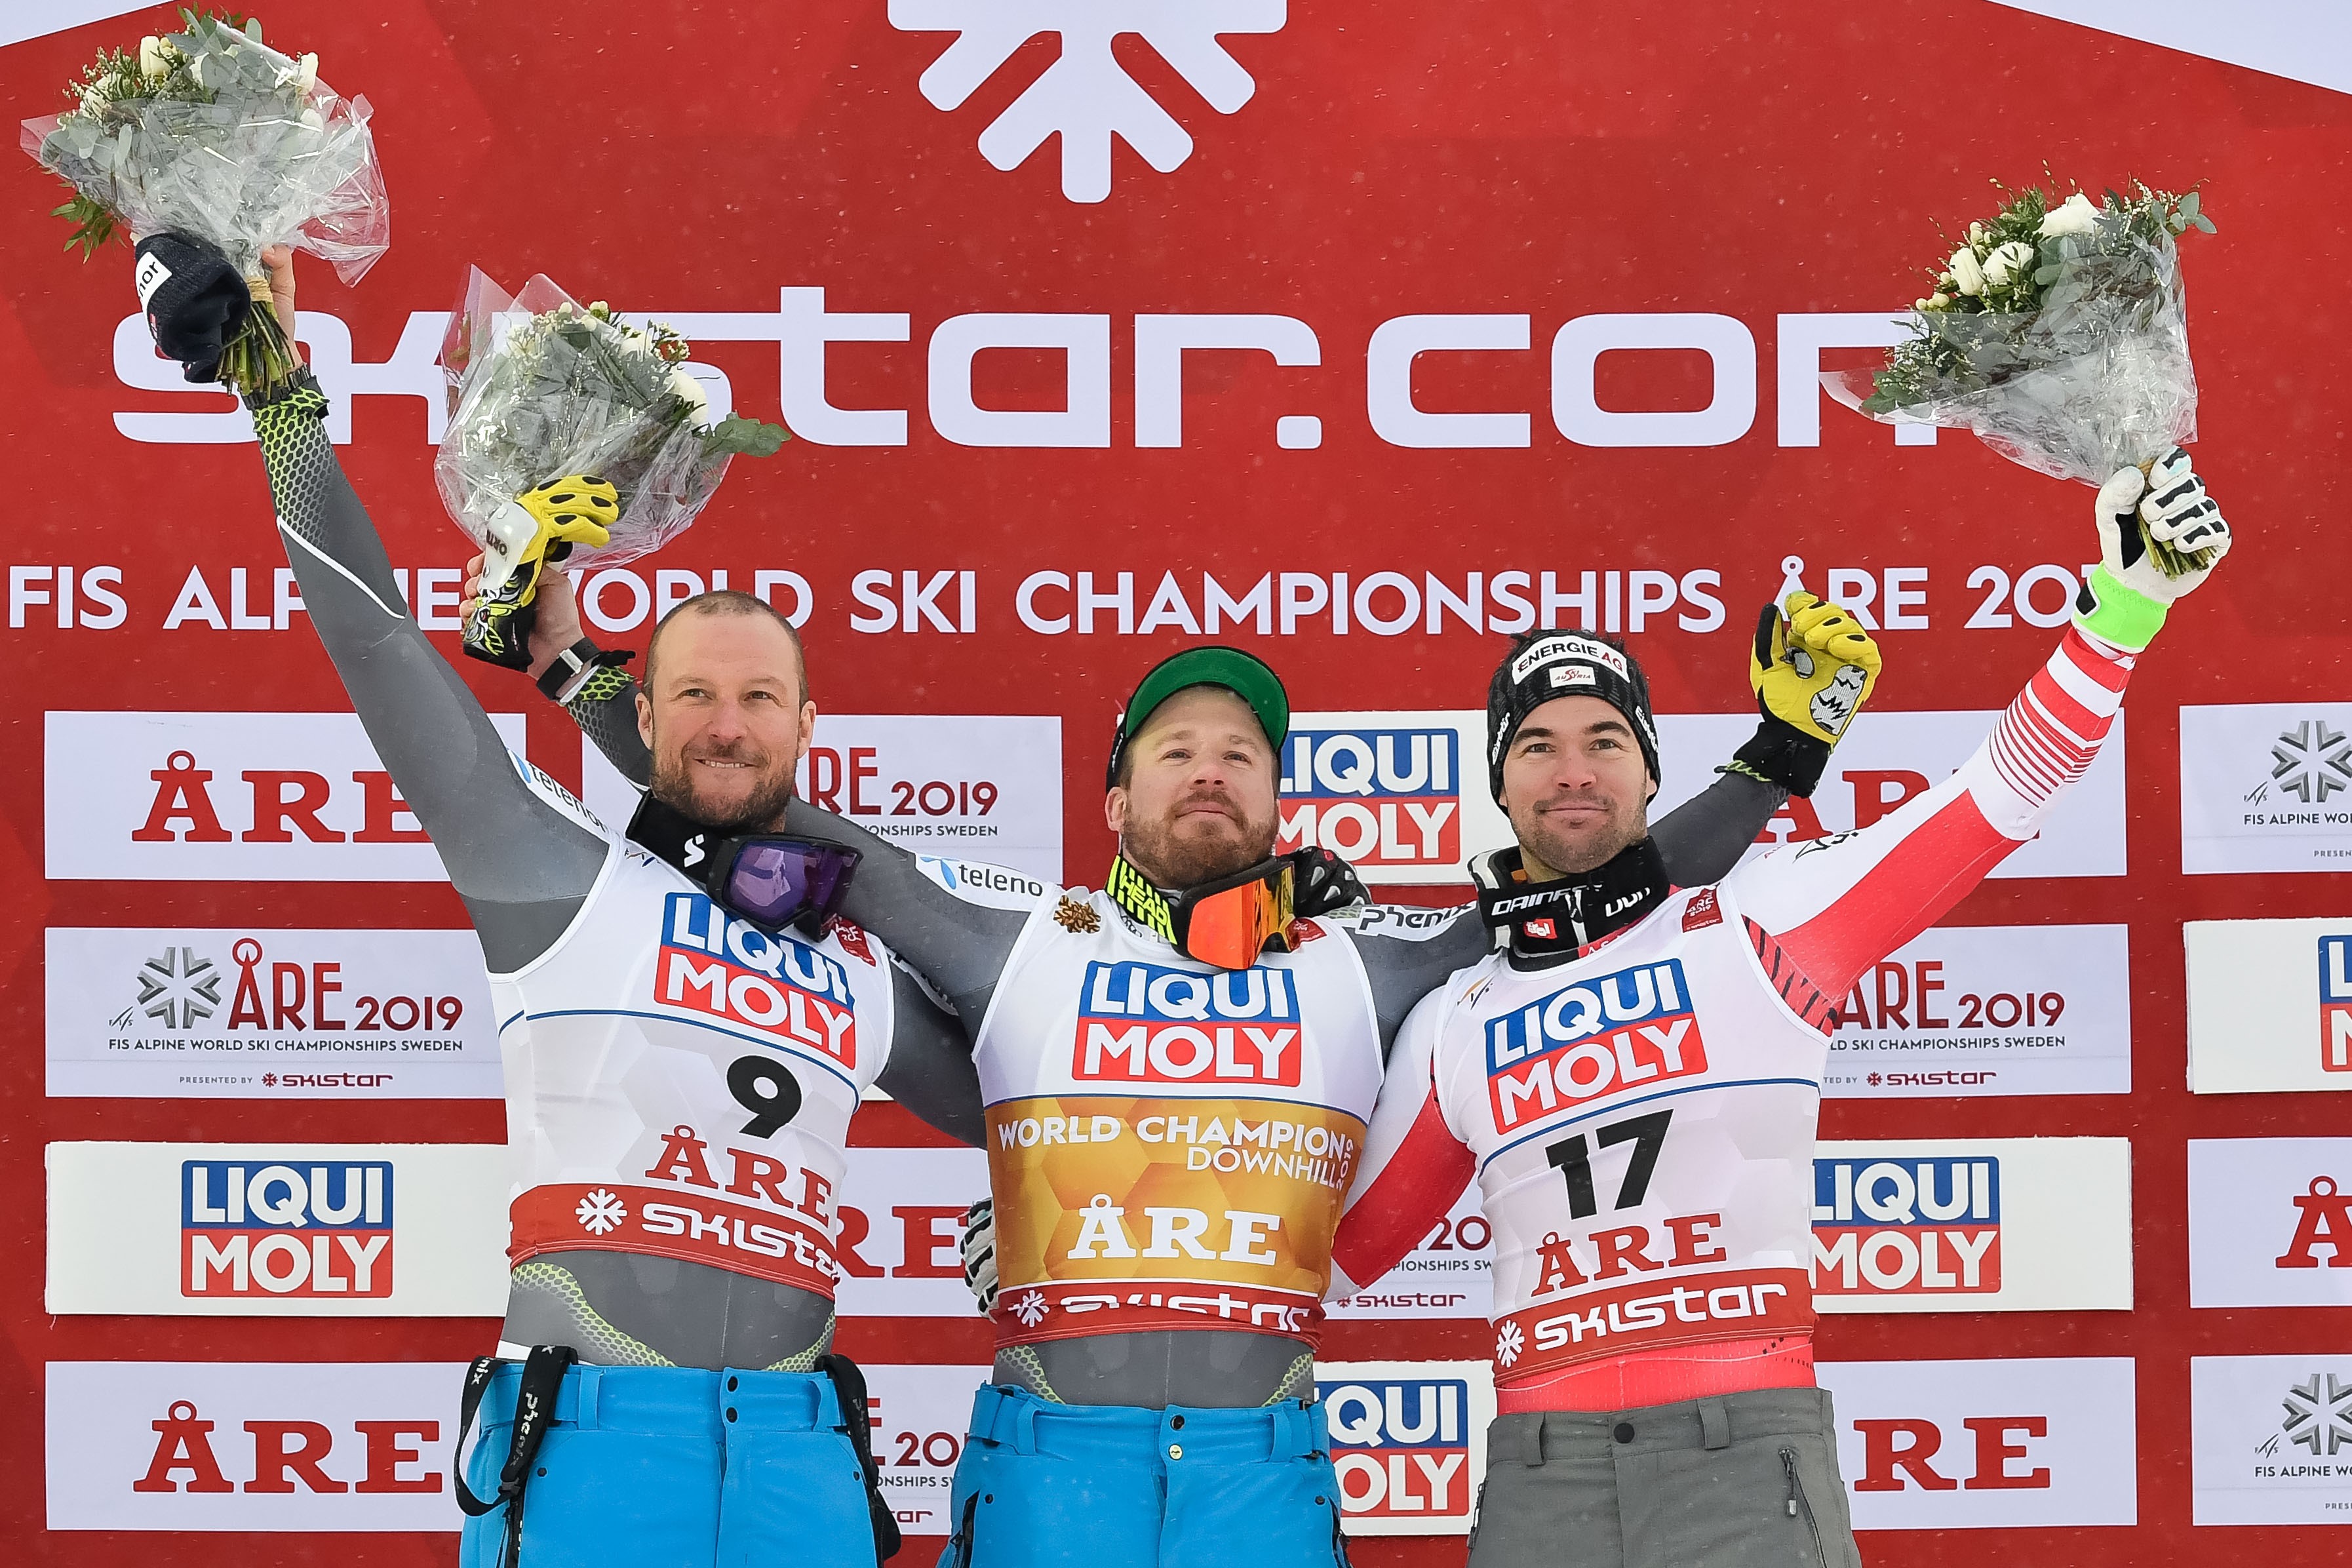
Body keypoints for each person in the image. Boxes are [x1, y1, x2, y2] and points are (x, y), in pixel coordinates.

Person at [511, 546, 1883, 1563]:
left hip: (1259, 1476)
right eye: (1175, 749)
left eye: (1242, 749)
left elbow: (1598, 895)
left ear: (1285, 800)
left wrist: (1776, 755)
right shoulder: (1015, 942)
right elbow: (757, 804)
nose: (1211, 766)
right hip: (1051, 1474)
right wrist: (572, 674)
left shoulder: (1367, 958)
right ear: (1115, 797)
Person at [134, 236, 988, 1567]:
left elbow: (1042, 1104)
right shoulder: (555, 875)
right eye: (692, 693)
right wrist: (276, 393)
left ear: (811, 724)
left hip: (804, 1461)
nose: (727, 723)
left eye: (761, 696)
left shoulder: (857, 956)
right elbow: (377, 646)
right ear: (638, 715)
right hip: (592, 1448)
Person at [1325, 454, 2232, 1567]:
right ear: (1499, 785)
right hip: (1539, 1473)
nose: (1574, 772)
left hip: (1742, 1455)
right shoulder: (1456, 1014)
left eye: (1605, 742)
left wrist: (2125, 609)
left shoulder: (1767, 917)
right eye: (1538, 746)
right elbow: (1333, 1258)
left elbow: (2002, 790)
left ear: (1651, 772)